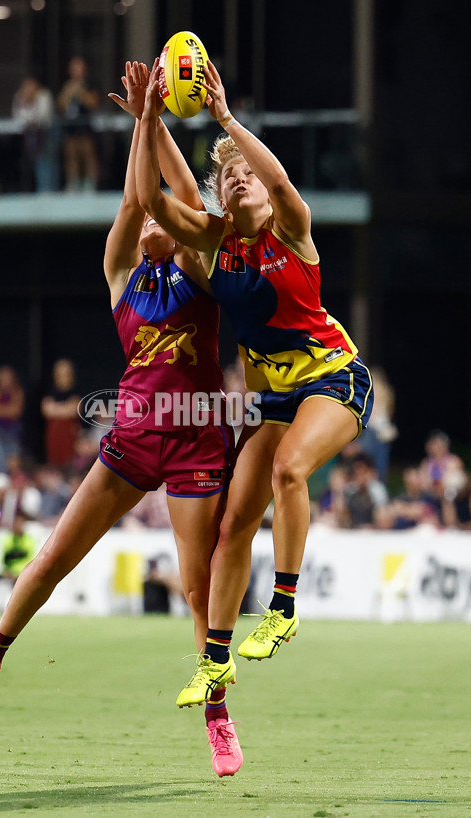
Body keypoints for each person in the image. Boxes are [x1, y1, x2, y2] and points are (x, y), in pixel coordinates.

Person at [0, 62, 242, 778]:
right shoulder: (121, 274)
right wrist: (143, 121)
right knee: (52, 559)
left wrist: (150, 121)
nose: (143, 222)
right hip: (133, 442)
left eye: (152, 216)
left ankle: (219, 720)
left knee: (200, 591)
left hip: (199, 439)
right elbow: (135, 200)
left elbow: (161, 195)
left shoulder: (202, 268)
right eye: (135, 218)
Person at [136, 59, 374, 704]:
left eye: (249, 174)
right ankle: (214, 660)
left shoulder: (291, 230)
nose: (241, 179)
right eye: (229, 176)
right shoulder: (217, 246)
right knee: (231, 523)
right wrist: (149, 119)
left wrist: (225, 120)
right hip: (273, 399)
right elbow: (160, 201)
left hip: (334, 378)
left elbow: (279, 177)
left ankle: (284, 606)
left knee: (290, 471)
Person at [57, 57, 99, 192]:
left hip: (85, 125)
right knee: (71, 154)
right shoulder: (67, 85)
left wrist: (80, 92)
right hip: (71, 126)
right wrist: (69, 93)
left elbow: (93, 103)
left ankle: (90, 183)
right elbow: (61, 105)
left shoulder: (89, 85)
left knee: (87, 153)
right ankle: (73, 182)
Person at [12, 76, 57, 193]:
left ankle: (48, 188)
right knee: (33, 161)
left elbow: (43, 116)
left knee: (46, 160)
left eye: (30, 86)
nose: (28, 89)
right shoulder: (20, 97)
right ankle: (36, 187)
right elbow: (18, 116)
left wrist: (30, 118)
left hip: (46, 132)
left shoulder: (44, 96)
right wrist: (26, 103)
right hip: (30, 133)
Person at [40, 359, 81, 468]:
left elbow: (74, 410)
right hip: (54, 434)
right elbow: (47, 411)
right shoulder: (50, 391)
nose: (62, 377)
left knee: (69, 460)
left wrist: (56, 409)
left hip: (70, 434)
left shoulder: (76, 391)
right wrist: (65, 408)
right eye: (59, 374)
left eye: (65, 374)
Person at [0, 366, 25, 474]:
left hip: (12, 433)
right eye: (2, 378)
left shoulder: (17, 392)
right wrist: (7, 410)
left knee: (13, 462)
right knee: (0, 463)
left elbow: (16, 411)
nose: (5, 381)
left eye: (7, 378)